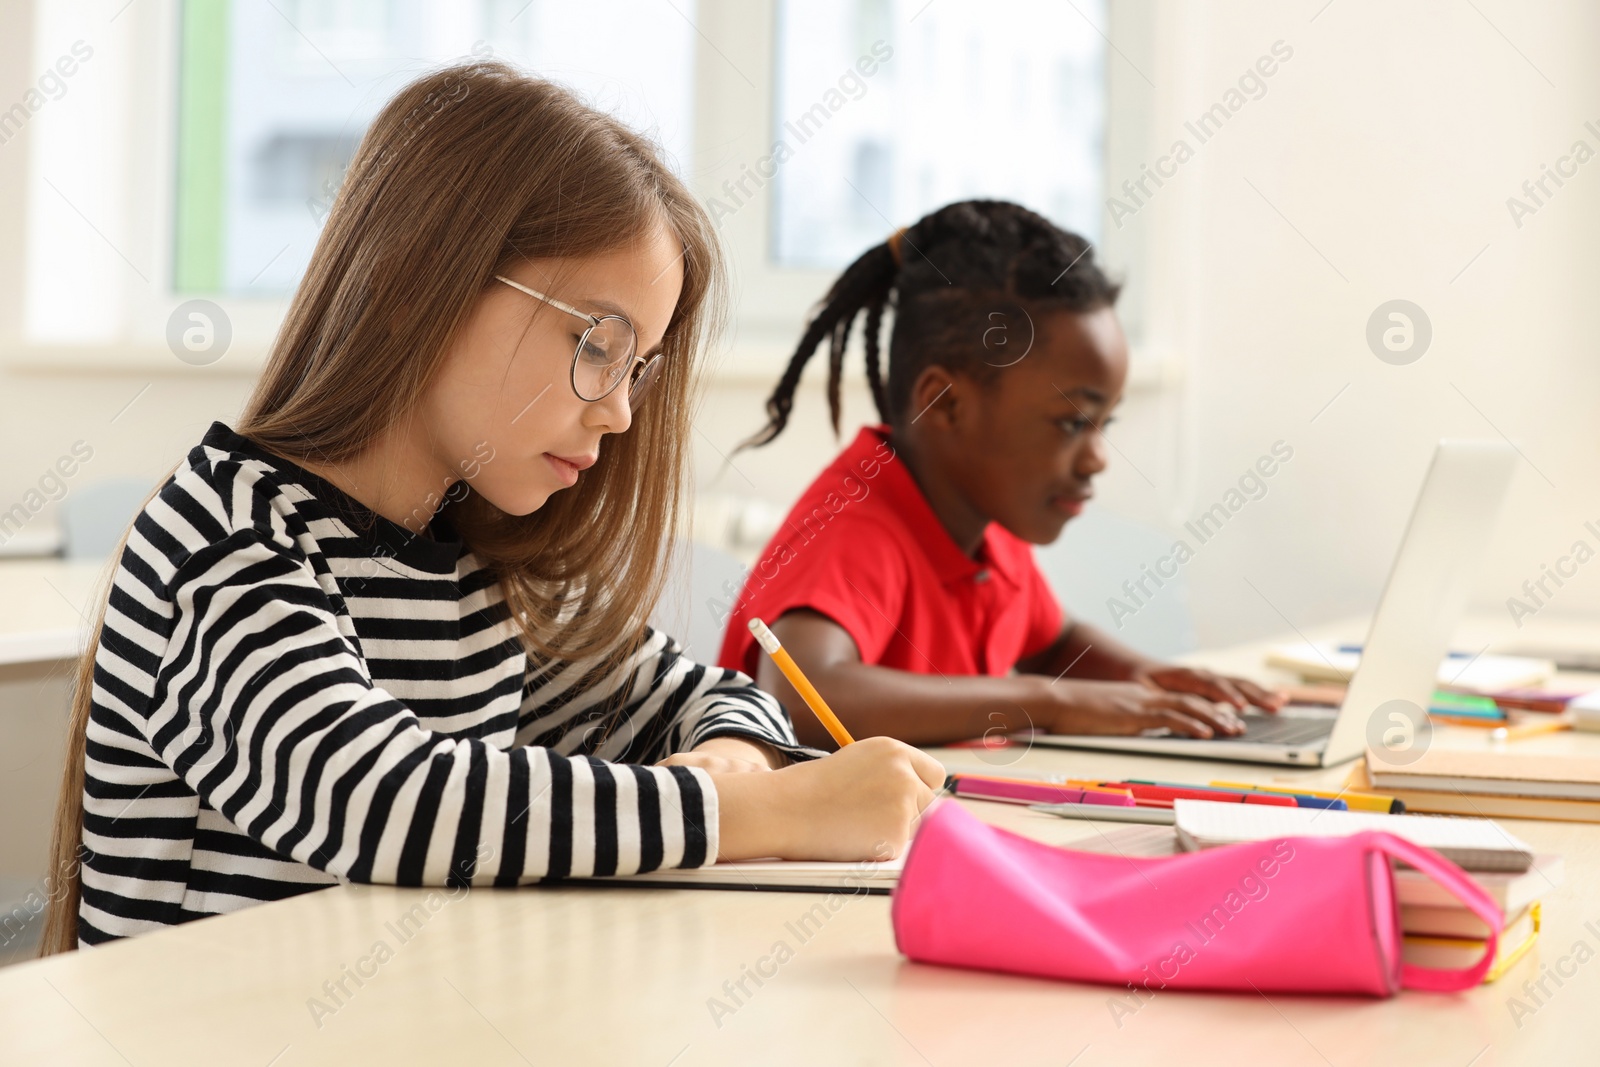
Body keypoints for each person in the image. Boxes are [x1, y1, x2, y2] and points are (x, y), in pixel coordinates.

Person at [40, 62, 943, 953]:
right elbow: (383, 802)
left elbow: (709, 697)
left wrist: (732, 760)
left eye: (639, 367)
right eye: (598, 342)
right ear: (417, 284)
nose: (621, 410)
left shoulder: (471, 572)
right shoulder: (224, 539)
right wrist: (762, 808)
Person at [718, 200, 1282, 749]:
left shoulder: (984, 522)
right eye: (1070, 423)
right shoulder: (856, 525)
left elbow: (1054, 645)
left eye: (1104, 424)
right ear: (944, 404)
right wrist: (1049, 703)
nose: (1098, 459)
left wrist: (1154, 681)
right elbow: (801, 695)